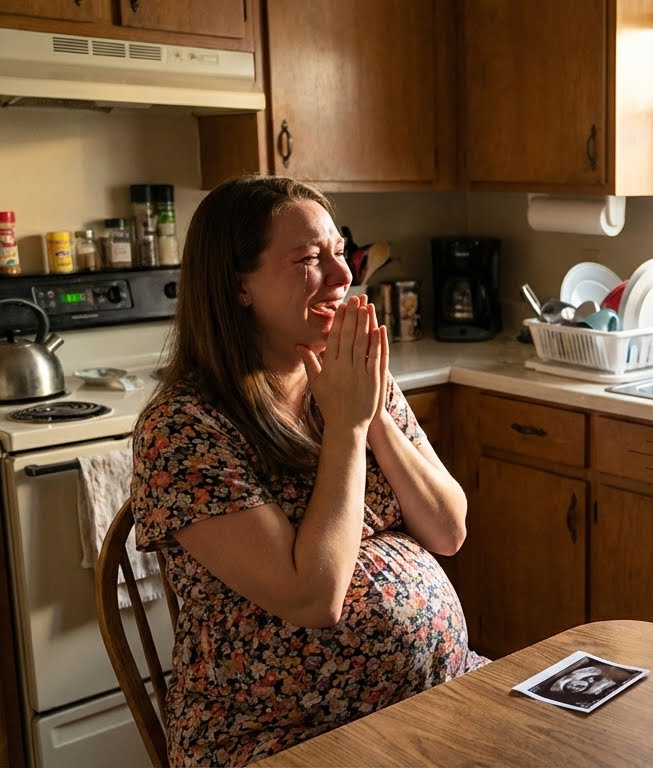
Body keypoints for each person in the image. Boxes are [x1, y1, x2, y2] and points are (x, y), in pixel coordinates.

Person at [128, 175, 488, 766]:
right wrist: (347, 427)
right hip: (281, 736)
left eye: (339, 252)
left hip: (433, 697)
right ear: (238, 285)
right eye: (308, 259)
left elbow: (449, 531)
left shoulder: (350, 374)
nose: (343, 275)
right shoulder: (182, 428)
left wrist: (370, 414)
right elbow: (313, 598)